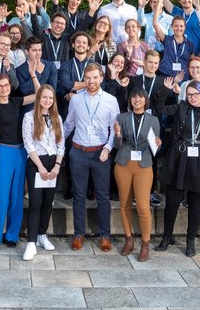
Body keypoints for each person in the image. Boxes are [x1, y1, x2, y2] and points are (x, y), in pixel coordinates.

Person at [153, 80, 200, 256]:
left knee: (196, 203)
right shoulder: (181, 107)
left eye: (196, 94)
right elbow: (159, 108)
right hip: (179, 157)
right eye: (189, 94)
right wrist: (166, 89)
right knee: (172, 201)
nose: (192, 98)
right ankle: (167, 237)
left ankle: (191, 240)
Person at [64, 63, 121, 251]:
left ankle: (104, 235)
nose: (91, 81)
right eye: (88, 77)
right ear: (84, 79)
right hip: (78, 152)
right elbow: (68, 125)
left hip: (100, 154)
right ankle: (79, 234)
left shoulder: (111, 100)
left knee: (103, 196)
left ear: (101, 78)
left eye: (95, 77)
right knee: (78, 195)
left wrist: (108, 147)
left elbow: (115, 128)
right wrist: (56, 145)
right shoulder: (76, 100)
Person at [0, 74, 35, 249]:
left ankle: (12, 235)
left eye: (6, 85)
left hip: (20, 152)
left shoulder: (16, 101)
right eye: (0, 86)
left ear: (10, 86)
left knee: (16, 198)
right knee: (1, 198)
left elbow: (38, 93)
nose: (4, 88)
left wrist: (33, 75)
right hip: (3, 151)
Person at [112, 88, 161, 262]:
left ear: (145, 100)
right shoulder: (122, 118)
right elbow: (117, 145)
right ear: (130, 100)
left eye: (141, 97)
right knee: (124, 204)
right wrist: (117, 134)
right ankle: (129, 240)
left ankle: (145, 244)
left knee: (142, 206)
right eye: (134, 97)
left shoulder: (153, 120)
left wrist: (158, 143)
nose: (137, 100)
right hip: (124, 164)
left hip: (144, 165)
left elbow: (155, 147)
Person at [21, 85, 65, 261]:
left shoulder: (57, 118)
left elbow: (61, 144)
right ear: (38, 98)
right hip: (36, 163)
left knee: (48, 202)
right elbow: (28, 144)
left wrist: (56, 166)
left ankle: (42, 235)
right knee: (36, 203)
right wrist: (40, 167)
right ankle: (31, 242)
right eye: (44, 97)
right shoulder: (29, 117)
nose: (47, 101)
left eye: (51, 98)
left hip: (53, 162)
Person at [151, 0, 194, 78]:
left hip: (182, 77)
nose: (178, 28)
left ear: (185, 27)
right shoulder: (167, 39)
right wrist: (159, 3)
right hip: (166, 75)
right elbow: (155, 24)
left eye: (181, 26)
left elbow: (191, 62)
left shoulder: (190, 44)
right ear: (172, 27)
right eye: (176, 26)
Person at [16, 37, 57, 114]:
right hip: (28, 110)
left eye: (39, 50)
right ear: (27, 52)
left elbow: (53, 89)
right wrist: (35, 73)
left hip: (47, 109)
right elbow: (24, 91)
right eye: (34, 50)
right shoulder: (19, 70)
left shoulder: (50, 66)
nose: (38, 53)